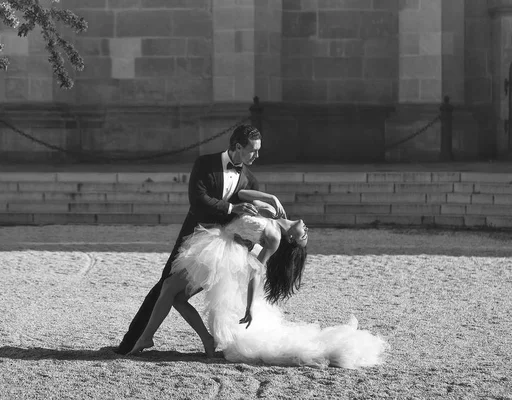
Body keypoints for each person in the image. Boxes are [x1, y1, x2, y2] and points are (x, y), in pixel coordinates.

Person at [129, 199, 389, 369]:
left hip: (223, 255)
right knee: (175, 295)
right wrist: (266, 201)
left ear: (290, 239)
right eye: (306, 234)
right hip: (217, 243)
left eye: (303, 238)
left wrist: (250, 306)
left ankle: (147, 337)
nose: (306, 230)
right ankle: (203, 340)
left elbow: (255, 269)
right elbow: (245, 192)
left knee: (169, 290)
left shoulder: (275, 238)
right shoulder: (275, 212)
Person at [113, 124, 285, 355]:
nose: (257, 155)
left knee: (174, 293)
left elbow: (247, 223)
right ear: (237, 147)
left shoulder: (250, 181)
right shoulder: (205, 163)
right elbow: (198, 200)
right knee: (164, 288)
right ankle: (130, 343)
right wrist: (232, 207)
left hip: (218, 251)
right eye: (253, 150)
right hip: (190, 239)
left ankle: (198, 340)